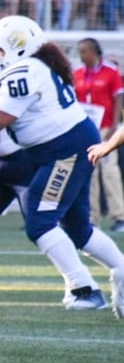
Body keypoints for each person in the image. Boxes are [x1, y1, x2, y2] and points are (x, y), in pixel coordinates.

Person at [0, 16, 124, 319]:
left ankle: (83, 290)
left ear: (16, 49)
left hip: (63, 149)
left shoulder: (23, 71)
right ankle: (119, 271)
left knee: (41, 220)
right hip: (55, 147)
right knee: (77, 227)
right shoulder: (29, 67)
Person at [73, 38, 124, 231]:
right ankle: (92, 217)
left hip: (107, 127)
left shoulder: (110, 72)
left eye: (84, 51)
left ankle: (119, 216)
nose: (81, 55)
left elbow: (118, 98)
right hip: (88, 128)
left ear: (94, 52)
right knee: (90, 172)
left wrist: (115, 125)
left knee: (110, 172)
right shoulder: (77, 73)